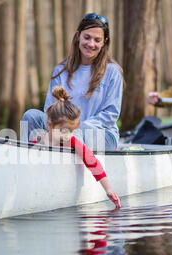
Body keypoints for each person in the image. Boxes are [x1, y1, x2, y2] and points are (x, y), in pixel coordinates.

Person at [22, 13, 124, 151]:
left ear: (104, 42)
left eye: (97, 40)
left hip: (102, 134)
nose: (91, 44)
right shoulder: (60, 70)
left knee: (77, 131)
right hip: (62, 130)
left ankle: (60, 148)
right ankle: (31, 159)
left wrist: (74, 127)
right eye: (87, 37)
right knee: (31, 116)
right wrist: (60, 128)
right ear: (78, 36)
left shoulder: (112, 72)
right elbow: (49, 110)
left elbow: (110, 115)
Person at [32, 85, 121, 208]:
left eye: (71, 131)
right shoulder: (40, 139)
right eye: (63, 130)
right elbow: (29, 154)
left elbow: (91, 161)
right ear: (49, 125)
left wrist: (108, 189)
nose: (67, 135)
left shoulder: (72, 141)